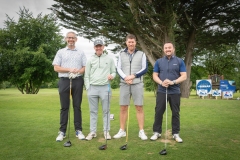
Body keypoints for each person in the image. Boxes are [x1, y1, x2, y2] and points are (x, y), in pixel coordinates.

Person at [52, 31, 87, 141]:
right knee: (64, 107)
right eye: (69, 38)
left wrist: (78, 72)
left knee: (77, 106)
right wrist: (69, 69)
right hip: (64, 81)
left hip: (77, 80)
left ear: (76, 39)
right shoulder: (60, 52)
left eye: (73, 38)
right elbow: (56, 68)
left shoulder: (81, 52)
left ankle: (78, 130)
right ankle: (62, 131)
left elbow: (84, 67)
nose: (71, 39)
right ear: (66, 39)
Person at [113, 34, 148, 140]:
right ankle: (122, 130)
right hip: (124, 84)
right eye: (129, 42)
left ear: (135, 42)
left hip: (137, 83)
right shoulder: (121, 53)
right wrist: (125, 78)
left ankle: (141, 131)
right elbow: (118, 68)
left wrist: (133, 76)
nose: (131, 43)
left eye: (133, 42)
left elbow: (144, 68)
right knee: (123, 107)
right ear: (126, 42)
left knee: (139, 107)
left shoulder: (142, 54)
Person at [150, 42, 187, 142]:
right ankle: (156, 132)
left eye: (169, 48)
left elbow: (184, 76)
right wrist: (162, 83)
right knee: (158, 112)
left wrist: (173, 82)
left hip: (175, 91)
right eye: (166, 48)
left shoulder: (179, 61)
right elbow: (155, 76)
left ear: (173, 49)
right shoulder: (159, 61)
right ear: (163, 49)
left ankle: (176, 133)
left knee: (175, 112)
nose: (168, 49)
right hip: (162, 90)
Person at [84, 39, 116, 140]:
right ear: (94, 48)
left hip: (105, 87)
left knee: (106, 111)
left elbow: (114, 72)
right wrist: (88, 88)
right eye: (96, 46)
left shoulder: (109, 59)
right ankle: (93, 132)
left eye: (100, 46)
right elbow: (86, 75)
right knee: (93, 111)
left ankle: (106, 131)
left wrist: (112, 76)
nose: (98, 48)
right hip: (92, 88)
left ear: (103, 47)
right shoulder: (90, 60)